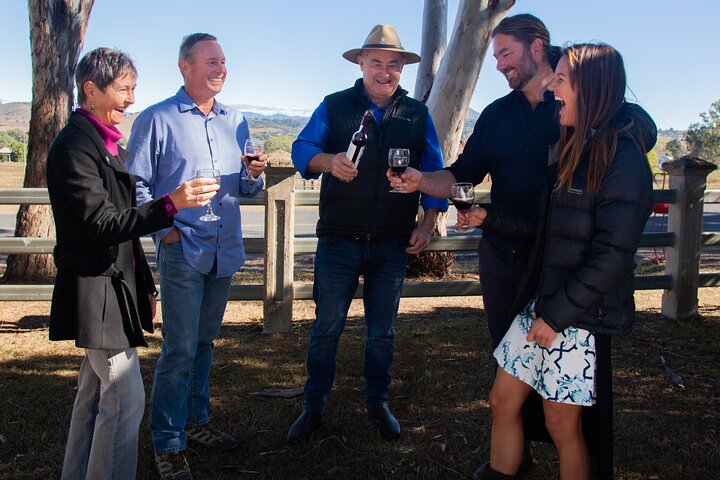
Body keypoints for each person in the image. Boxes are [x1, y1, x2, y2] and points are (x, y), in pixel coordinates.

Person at [471, 42, 655, 479]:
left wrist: (555, 317)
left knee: (561, 425)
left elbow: (612, 256)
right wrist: (488, 218)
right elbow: (544, 229)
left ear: (589, 87)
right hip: (541, 304)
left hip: (577, 316)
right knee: (502, 401)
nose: (551, 88)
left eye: (561, 80)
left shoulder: (623, 159)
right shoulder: (569, 149)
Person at [47, 48, 218, 480]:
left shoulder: (102, 143)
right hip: (95, 291)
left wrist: (145, 284)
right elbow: (104, 224)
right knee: (125, 398)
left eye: (133, 89)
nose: (130, 100)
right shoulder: (75, 147)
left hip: (114, 287)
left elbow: (120, 231)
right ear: (91, 90)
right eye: (123, 90)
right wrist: (171, 204)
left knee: (93, 397)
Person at [287, 24, 448, 444]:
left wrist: (427, 224)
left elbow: (435, 173)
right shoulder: (334, 105)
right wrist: (328, 161)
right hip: (339, 239)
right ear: (360, 63)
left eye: (393, 64)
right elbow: (301, 150)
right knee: (326, 328)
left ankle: (378, 402)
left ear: (401, 69)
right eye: (376, 62)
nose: (385, 71)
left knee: (382, 332)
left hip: (392, 244)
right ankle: (313, 405)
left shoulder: (417, 114)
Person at [125, 33, 266, 480]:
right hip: (184, 249)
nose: (221, 68)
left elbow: (246, 189)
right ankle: (167, 443)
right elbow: (136, 186)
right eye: (211, 61)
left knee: (204, 344)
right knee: (180, 349)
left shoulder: (236, 119)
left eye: (224, 61)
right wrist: (167, 232)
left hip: (225, 251)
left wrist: (252, 175)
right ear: (185, 67)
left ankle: (195, 421)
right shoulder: (156, 119)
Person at [389, 13, 562, 351]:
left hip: (559, 256)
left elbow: (634, 125)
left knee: (557, 363)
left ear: (537, 46)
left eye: (506, 54)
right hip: (503, 255)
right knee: (508, 352)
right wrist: (420, 180)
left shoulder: (575, 103)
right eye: (496, 57)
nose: (498, 66)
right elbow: (463, 173)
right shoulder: (496, 115)